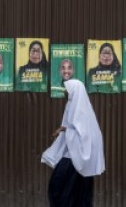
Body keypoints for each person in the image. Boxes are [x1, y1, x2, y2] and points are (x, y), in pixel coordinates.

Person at [42, 79, 105, 207]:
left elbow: (84, 134)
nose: (66, 92)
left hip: (76, 158)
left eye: (68, 90)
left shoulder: (81, 110)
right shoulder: (72, 106)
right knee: (69, 192)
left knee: (59, 189)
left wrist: (63, 129)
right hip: (72, 156)